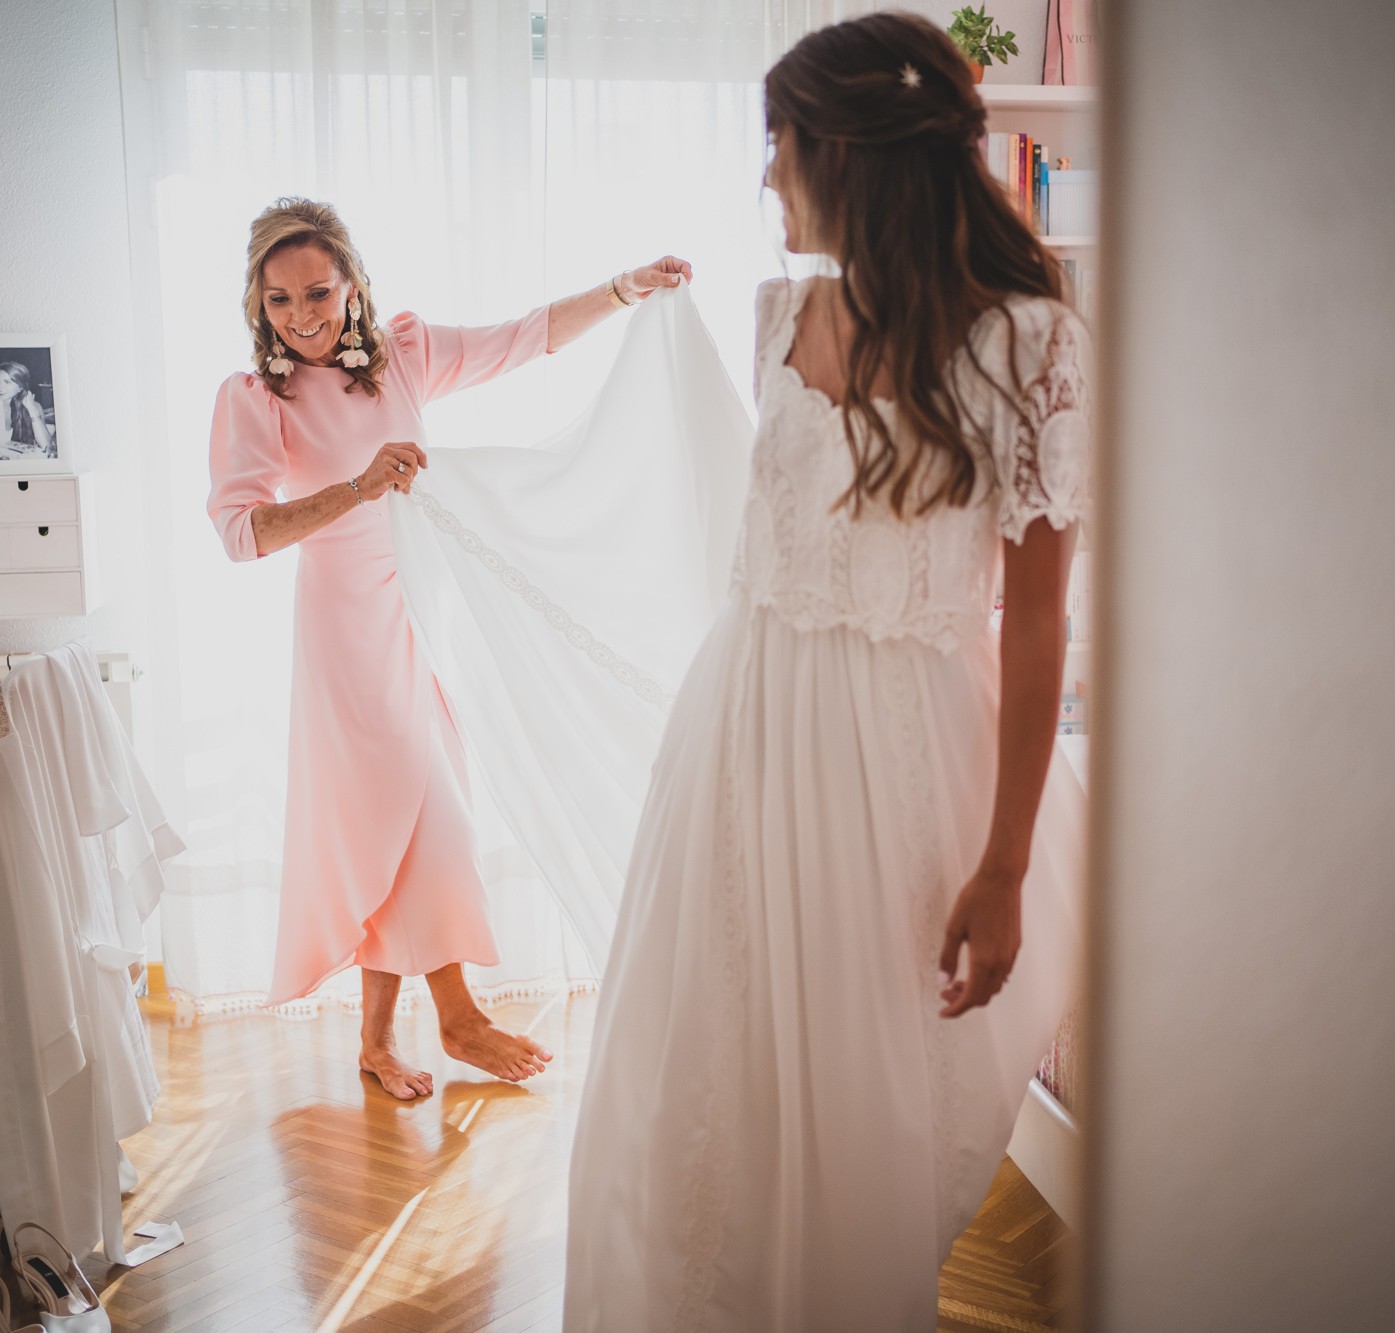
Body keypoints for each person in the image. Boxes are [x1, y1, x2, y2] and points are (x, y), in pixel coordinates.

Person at [564, 13, 1089, 1331]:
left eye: (777, 143)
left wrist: (1008, 861)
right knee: (710, 1089)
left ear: (842, 152)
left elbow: (1036, 625)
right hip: (741, 731)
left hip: (902, 758)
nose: (763, 175)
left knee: (859, 1104)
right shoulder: (774, 312)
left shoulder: (1030, 343)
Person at [207, 197, 689, 1094]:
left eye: (317, 291)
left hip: (419, 620)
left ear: (351, 284)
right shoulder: (257, 400)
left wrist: (627, 288)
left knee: (413, 817)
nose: (302, 316)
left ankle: (380, 1041)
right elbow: (242, 534)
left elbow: (529, 336)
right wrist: (356, 488)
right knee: (418, 808)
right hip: (344, 637)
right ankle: (457, 1018)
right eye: (279, 301)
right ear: (258, 304)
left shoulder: (404, 357)